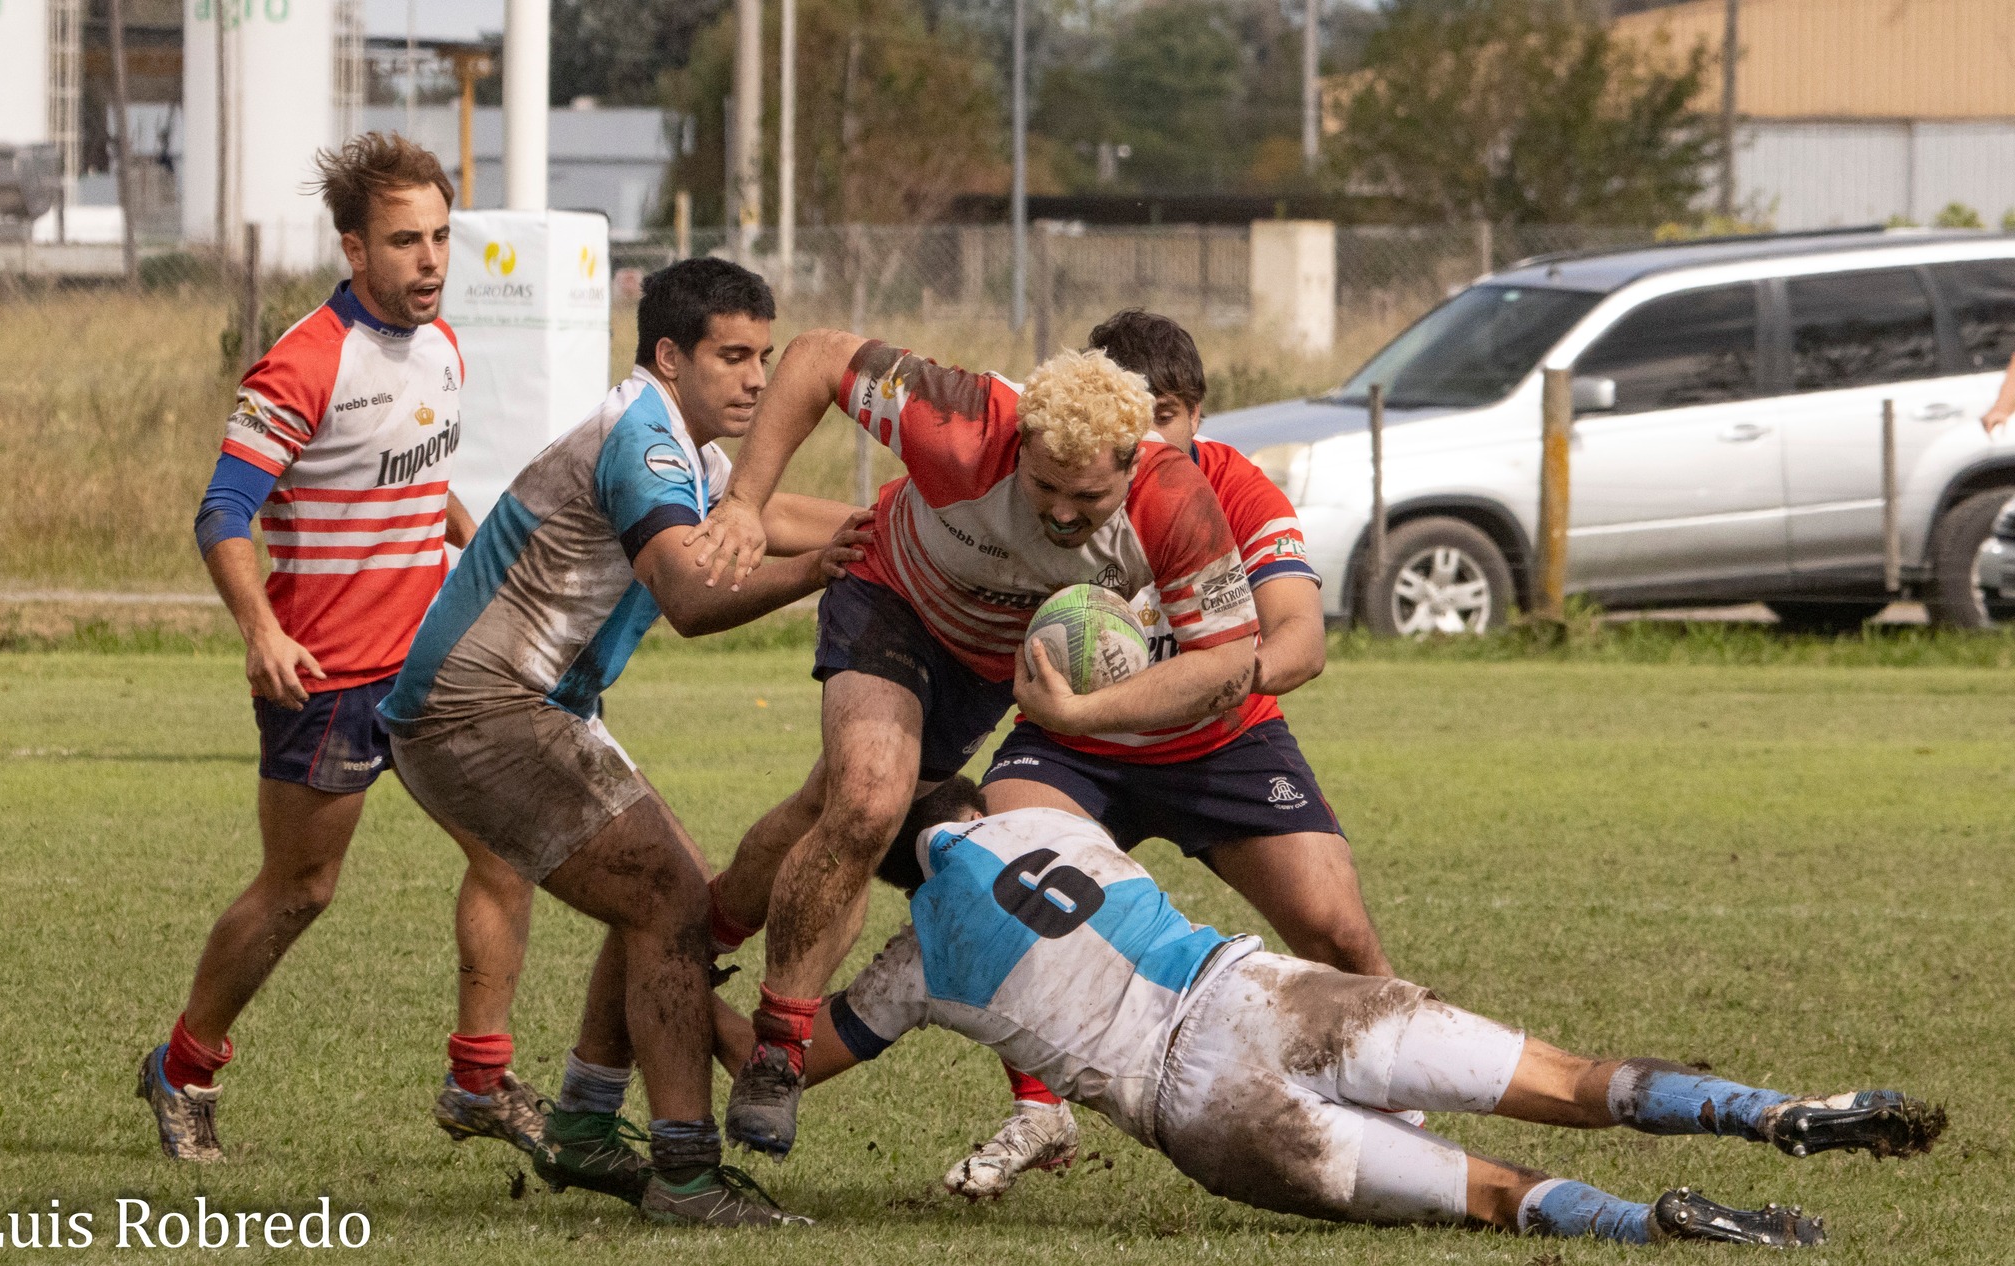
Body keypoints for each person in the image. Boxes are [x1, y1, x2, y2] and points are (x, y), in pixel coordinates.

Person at [795, 780, 1945, 1247]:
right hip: (1267, 995)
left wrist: (731, 986)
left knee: (1491, 1196)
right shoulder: (1048, 813)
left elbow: (795, 1059)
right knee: (1568, 1077)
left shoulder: (915, 963)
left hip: (1200, 1110)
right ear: (973, 801)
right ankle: (1776, 1114)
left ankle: (1650, 1232)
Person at [685, 336, 1264, 1158]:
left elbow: (1231, 659)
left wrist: (1082, 716)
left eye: (1089, 496)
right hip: (891, 597)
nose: (1064, 513)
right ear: (1018, 443)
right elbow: (815, 359)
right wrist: (745, 499)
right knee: (870, 799)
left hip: (989, 665)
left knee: (830, 811)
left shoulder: (1175, 500)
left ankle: (699, 928)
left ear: (1135, 462)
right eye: (1046, 487)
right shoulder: (961, 418)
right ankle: (777, 1051)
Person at [379, 258, 865, 1227]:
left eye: (765, 356)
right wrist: (825, 568)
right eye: (733, 356)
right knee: (671, 900)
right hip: (479, 709)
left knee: (674, 889)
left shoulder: (681, 444)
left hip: (526, 706)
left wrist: (894, 524)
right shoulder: (641, 440)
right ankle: (683, 1174)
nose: (757, 379)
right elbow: (689, 595)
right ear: (670, 355)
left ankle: (588, 1125)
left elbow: (763, 519)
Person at [137, 133, 540, 1164]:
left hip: (432, 666)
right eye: (405, 242)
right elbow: (223, 511)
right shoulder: (304, 360)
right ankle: (183, 1066)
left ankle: (479, 1079)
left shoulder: (442, 348)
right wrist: (261, 630)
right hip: (324, 674)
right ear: (353, 248)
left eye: (442, 237)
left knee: (507, 851)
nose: (431, 261)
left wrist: (482, 541)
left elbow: (409, 479)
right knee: (302, 890)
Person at [947, 308, 1396, 1198]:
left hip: (1222, 743)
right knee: (999, 877)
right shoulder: (1056, 488)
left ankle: (1398, 1088)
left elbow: (1300, 643)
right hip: (1074, 747)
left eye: (1166, 417)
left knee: (1335, 926)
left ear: (1196, 416)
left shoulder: (1236, 489)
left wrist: (1212, 679)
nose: (1147, 441)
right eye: (1129, 421)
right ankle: (1041, 1107)